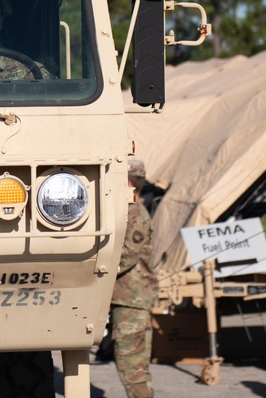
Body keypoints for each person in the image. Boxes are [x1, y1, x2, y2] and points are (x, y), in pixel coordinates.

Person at [106, 159, 157, 398]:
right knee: (127, 359)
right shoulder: (126, 208)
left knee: (132, 363)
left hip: (132, 299)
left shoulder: (134, 212)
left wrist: (95, 271)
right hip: (124, 296)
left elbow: (127, 255)